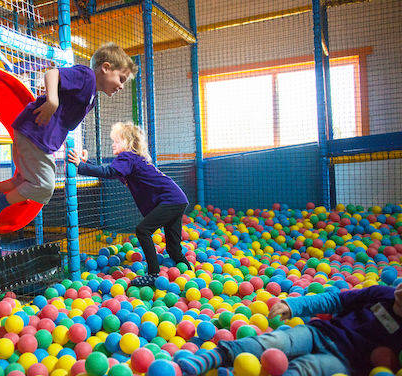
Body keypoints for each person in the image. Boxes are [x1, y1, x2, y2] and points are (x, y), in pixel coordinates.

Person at [0, 42, 137, 231]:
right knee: (44, 185)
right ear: (106, 68)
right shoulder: (86, 76)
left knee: (25, 180)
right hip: (34, 133)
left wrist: (78, 149)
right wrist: (52, 100)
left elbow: (67, 124)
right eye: (121, 79)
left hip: (36, 136)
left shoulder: (91, 96)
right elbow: (52, 74)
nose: (121, 86)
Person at [176, 283, 402, 376]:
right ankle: (214, 356)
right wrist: (293, 306)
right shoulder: (382, 293)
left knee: (305, 368)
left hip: (346, 361)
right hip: (320, 333)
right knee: (275, 341)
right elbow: (333, 300)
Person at [68, 121, 191, 287]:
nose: (112, 144)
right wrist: (86, 163)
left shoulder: (127, 157)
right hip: (177, 200)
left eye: (116, 141)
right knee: (173, 247)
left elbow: (108, 171)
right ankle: (188, 273)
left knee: (142, 230)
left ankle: (153, 274)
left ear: (127, 143)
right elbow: (110, 173)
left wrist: (80, 165)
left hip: (170, 200)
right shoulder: (132, 161)